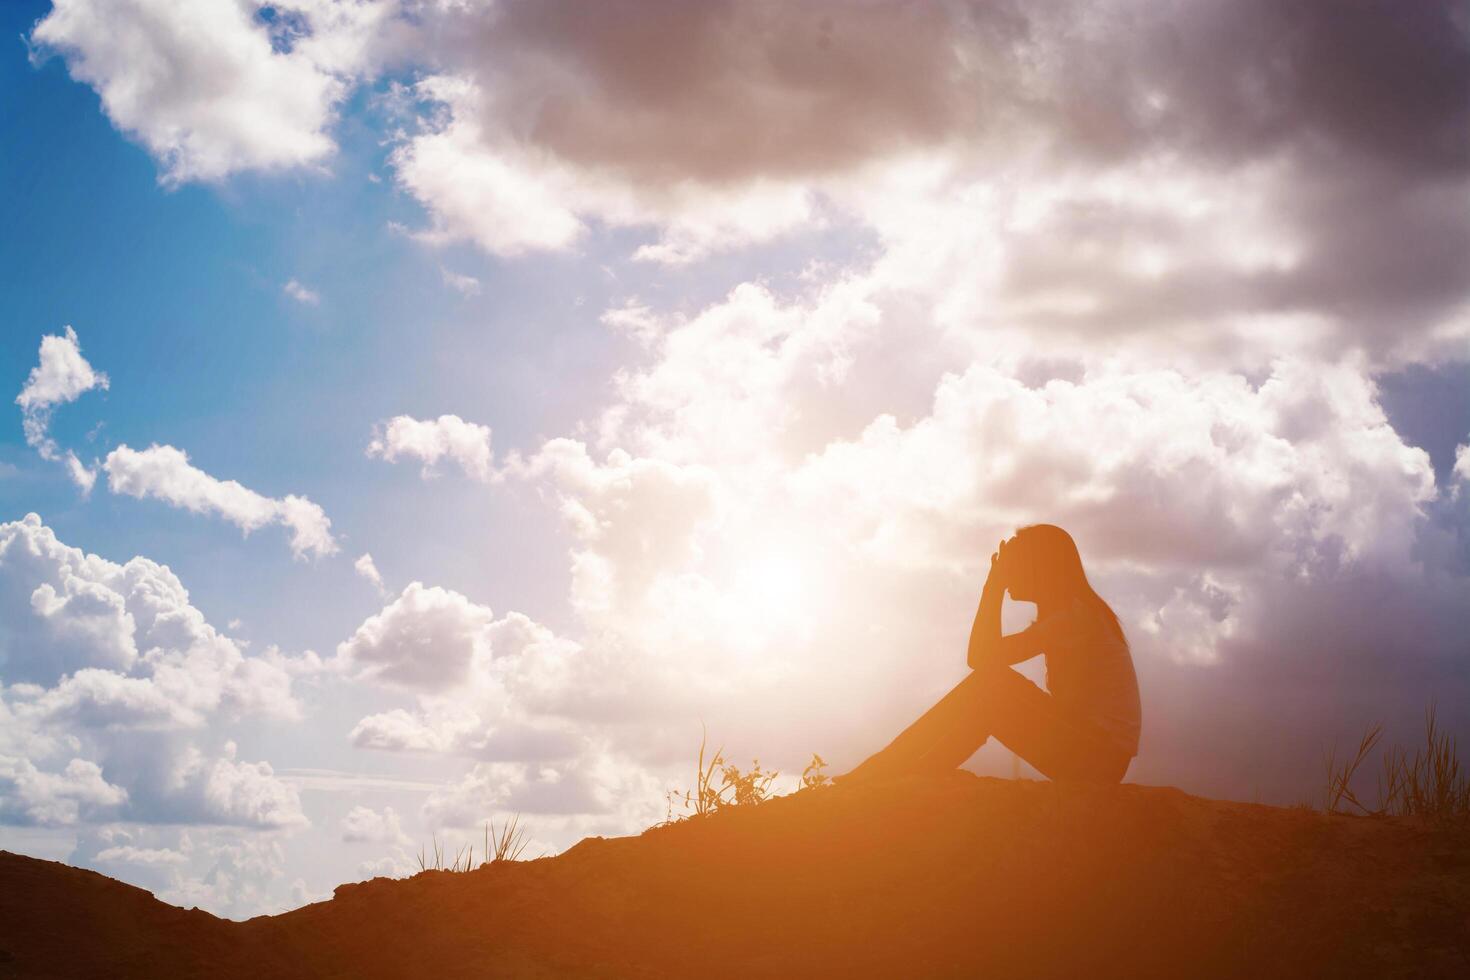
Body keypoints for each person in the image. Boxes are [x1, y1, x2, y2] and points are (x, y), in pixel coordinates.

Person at [842, 524, 1141, 784]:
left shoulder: (1074, 618)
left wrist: (993, 587)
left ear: (1041, 568)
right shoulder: (1071, 614)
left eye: (1016, 563)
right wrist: (995, 584)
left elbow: (980, 658)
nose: (1009, 571)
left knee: (991, 684)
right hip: (1094, 753)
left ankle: (892, 768)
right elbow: (982, 658)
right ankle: (908, 769)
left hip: (1097, 757)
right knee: (990, 686)